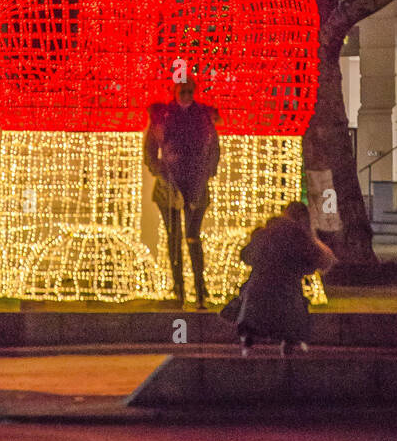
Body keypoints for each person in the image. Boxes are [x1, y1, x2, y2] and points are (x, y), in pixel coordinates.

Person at [144, 77, 220, 309]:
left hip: (194, 184)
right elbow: (150, 148)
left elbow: (214, 148)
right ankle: (180, 290)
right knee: (174, 237)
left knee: (192, 237)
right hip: (171, 184)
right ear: (175, 92)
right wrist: (160, 169)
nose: (186, 96)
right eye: (182, 92)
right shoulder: (163, 116)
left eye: (189, 92)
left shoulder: (203, 117)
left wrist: (207, 172)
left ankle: (199, 289)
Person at [234, 201, 335, 357]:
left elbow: (246, 256)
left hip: (255, 298)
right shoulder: (300, 238)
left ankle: (247, 342)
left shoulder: (264, 232)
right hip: (286, 297)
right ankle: (289, 348)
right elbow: (320, 262)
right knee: (296, 306)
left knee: (250, 293)